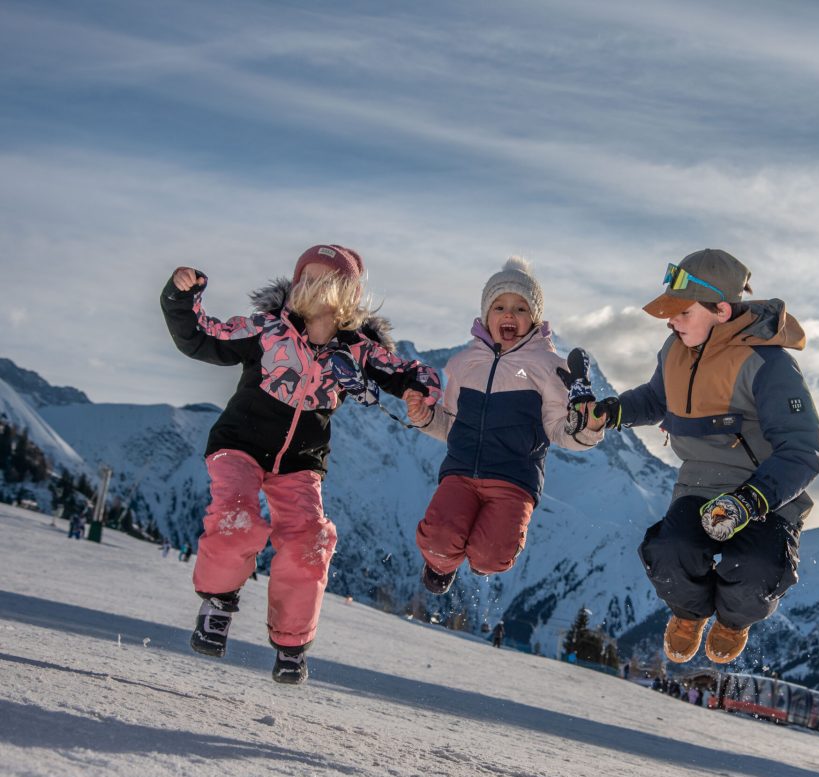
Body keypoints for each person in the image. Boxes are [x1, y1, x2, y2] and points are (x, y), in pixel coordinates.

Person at [161, 244, 440, 685]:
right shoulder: (267, 330)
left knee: (309, 542)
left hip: (301, 464)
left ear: (347, 295)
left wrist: (418, 393)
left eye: (323, 281)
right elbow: (202, 336)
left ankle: (291, 643)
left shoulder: (358, 353)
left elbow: (411, 371)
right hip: (239, 445)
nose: (309, 287)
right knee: (236, 519)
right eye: (303, 277)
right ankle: (217, 603)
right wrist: (182, 297)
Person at [594, 249, 819, 665]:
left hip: (766, 495)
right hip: (700, 483)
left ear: (720, 310)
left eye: (682, 312)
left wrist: (750, 500)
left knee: (754, 568)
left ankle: (733, 622)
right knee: (670, 551)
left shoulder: (768, 365)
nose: (671, 320)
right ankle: (689, 614)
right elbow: (657, 398)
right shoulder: (675, 349)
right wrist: (613, 412)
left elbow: (802, 451)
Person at [405, 257, 605, 595]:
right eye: (499, 306)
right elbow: (451, 424)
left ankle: (482, 557)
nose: (509, 315)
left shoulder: (548, 367)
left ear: (535, 318)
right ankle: (440, 565)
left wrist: (587, 428)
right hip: (461, 472)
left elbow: (559, 429)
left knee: (490, 556)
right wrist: (425, 416)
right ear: (486, 315)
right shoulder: (463, 364)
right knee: (439, 540)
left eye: (520, 308)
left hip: (513, 480)